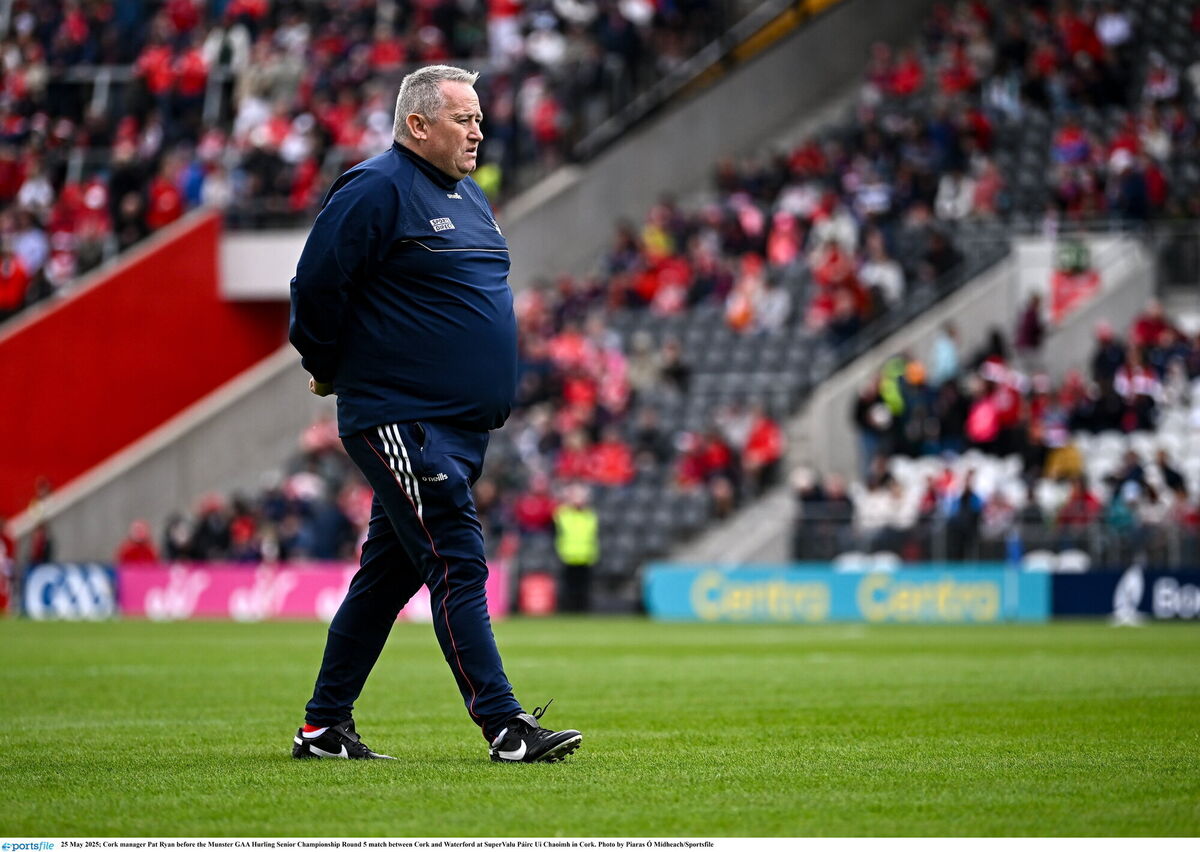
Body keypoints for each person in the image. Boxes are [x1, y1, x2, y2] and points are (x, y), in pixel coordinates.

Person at [288, 65, 582, 764]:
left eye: (479, 119)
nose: (478, 131)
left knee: (387, 577)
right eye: (463, 119)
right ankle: (505, 726)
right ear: (417, 125)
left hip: (459, 428)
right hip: (402, 417)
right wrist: (328, 366)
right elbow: (315, 288)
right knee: (457, 559)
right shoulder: (375, 188)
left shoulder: (470, 196)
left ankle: (323, 729)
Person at [553, 484, 600, 613]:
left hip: (586, 555)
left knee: (583, 588)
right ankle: (568, 610)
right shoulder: (563, 514)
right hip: (568, 556)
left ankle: (583, 610)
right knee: (569, 587)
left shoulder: (590, 515)